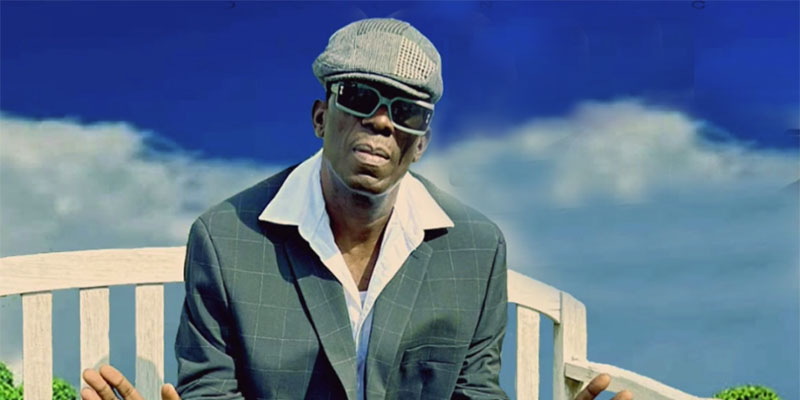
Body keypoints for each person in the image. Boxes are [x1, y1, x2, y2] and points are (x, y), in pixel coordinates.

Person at [81, 18, 633, 400]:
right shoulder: (226, 238)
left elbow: (474, 392)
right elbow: (212, 390)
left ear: (421, 144)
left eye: (406, 112)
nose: (382, 121)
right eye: (361, 97)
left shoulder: (476, 249)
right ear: (321, 117)